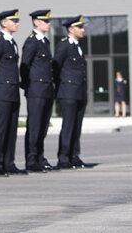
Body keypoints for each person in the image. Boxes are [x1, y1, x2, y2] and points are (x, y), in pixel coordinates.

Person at [0, 9, 25, 177]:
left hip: (12, 90)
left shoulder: (11, 42)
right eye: (13, 20)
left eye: (17, 20)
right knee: (1, 128)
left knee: (11, 128)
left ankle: (9, 162)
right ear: (3, 23)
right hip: (1, 91)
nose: (17, 23)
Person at [21, 9, 55, 173]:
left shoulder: (44, 42)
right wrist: (28, 86)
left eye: (48, 21)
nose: (48, 24)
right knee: (34, 126)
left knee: (42, 126)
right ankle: (32, 159)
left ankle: (40, 157)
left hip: (46, 88)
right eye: (45, 21)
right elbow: (24, 66)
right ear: (36, 22)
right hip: (35, 89)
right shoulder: (32, 41)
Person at [54, 15, 90, 169]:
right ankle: (63, 158)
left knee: (77, 126)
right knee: (68, 125)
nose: (83, 30)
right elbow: (56, 67)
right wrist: (60, 86)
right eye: (80, 27)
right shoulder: (64, 45)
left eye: (83, 27)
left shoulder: (78, 45)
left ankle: (74, 156)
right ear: (71, 29)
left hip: (79, 91)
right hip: (68, 92)